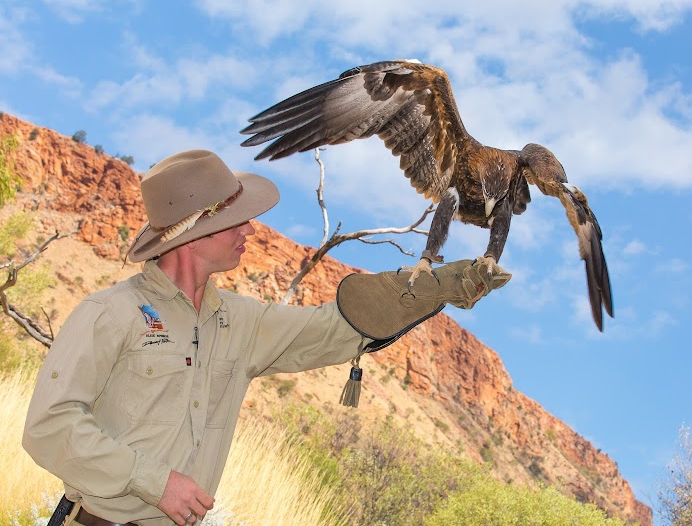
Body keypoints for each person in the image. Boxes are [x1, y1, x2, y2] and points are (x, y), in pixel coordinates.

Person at [22, 149, 510, 526]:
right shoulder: (110, 313)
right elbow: (49, 428)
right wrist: (156, 483)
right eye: (236, 220)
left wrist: (438, 285)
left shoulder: (241, 322)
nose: (251, 230)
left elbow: (333, 328)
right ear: (193, 233)